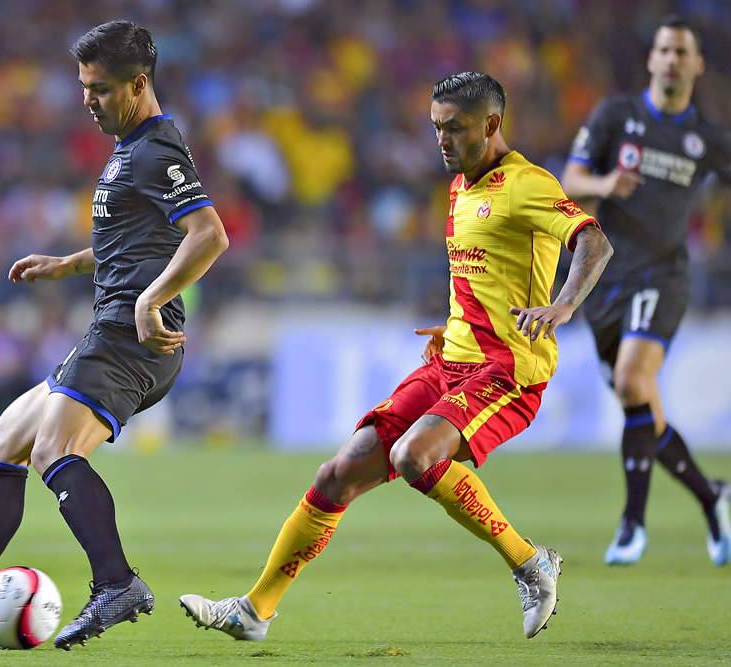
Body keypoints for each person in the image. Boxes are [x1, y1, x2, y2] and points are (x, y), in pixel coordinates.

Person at [180, 72, 614, 641]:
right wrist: (460, 322)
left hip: (507, 373)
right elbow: (487, 276)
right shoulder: (461, 187)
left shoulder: (527, 184)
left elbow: (593, 241)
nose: (441, 140)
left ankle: (531, 564)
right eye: (435, 128)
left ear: (491, 125)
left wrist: (561, 306)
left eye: (454, 129)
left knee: (414, 456)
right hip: (450, 362)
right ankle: (254, 610)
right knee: (336, 474)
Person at [0, 20, 229, 650]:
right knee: (6, 437)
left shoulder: (156, 150)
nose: (87, 101)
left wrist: (152, 299)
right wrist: (69, 263)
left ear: (138, 84)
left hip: (134, 334)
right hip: (114, 324)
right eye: (83, 87)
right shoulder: (129, 151)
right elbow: (136, 241)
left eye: (98, 88)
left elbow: (210, 234)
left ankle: (117, 583)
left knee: (52, 450)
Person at [561, 15, 731, 567]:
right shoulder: (617, 116)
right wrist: (605, 184)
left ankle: (632, 524)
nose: (673, 60)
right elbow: (570, 180)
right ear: (652, 59)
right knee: (641, 406)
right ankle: (712, 498)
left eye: (683, 52)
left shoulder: (707, 140)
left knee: (635, 380)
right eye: (665, 50)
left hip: (665, 273)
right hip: (604, 277)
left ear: (697, 64)